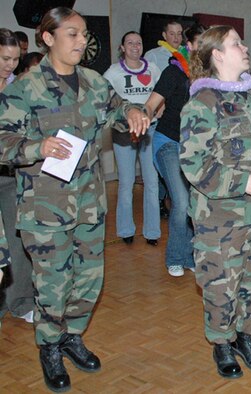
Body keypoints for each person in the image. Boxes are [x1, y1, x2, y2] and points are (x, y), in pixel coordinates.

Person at [0, 8, 149, 392]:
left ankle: (73, 336)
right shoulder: (24, 88)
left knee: (88, 278)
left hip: (88, 202)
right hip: (45, 207)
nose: (82, 41)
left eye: (83, 34)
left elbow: (117, 108)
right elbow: (4, 143)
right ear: (47, 38)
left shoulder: (94, 82)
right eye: (72, 34)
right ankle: (49, 345)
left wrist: (133, 111)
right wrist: (37, 146)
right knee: (52, 284)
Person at [179, 25, 251, 379]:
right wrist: (243, 181)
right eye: (236, 43)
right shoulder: (202, 103)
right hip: (220, 217)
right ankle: (222, 343)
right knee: (222, 284)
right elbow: (194, 165)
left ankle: (245, 336)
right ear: (217, 54)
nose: (244, 48)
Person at [144, 23, 206, 277]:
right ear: (188, 45)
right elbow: (152, 103)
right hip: (167, 142)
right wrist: (142, 115)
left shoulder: (210, 77)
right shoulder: (174, 71)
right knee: (180, 201)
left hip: (194, 146)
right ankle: (175, 257)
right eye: (200, 43)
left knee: (194, 201)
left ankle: (189, 255)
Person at [104, 31, 162, 246]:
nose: (135, 47)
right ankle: (126, 229)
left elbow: (161, 92)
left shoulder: (153, 69)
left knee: (152, 181)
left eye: (138, 43)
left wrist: (160, 107)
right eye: (130, 43)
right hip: (123, 132)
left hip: (150, 131)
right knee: (126, 182)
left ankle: (152, 232)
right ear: (122, 47)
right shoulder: (113, 71)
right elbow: (105, 98)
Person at [0, 28, 34, 326]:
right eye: (4, 58)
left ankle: (21, 301)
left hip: (11, 174)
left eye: (14, 59)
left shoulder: (18, 89)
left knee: (16, 238)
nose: (10, 65)